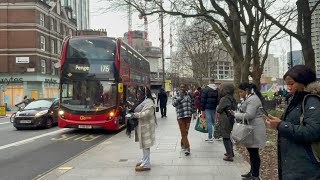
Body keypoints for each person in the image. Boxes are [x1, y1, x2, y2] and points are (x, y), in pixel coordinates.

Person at [265, 65, 320, 180]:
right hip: (294, 162)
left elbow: (312, 131)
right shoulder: (295, 99)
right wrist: (278, 122)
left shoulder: (312, 100)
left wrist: (281, 125)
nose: (288, 88)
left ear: (304, 82)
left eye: (291, 83)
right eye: (287, 84)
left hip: (307, 166)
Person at [229, 83, 266, 180]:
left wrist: (235, 114)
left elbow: (250, 115)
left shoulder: (253, 99)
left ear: (247, 90)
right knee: (252, 152)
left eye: (241, 92)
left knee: (254, 153)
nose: (240, 94)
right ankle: (252, 172)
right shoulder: (250, 98)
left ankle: (255, 175)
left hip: (255, 129)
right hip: (252, 128)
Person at [131, 87, 157, 172]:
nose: (138, 95)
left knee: (146, 145)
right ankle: (144, 159)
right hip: (142, 125)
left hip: (147, 126)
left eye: (140, 93)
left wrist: (135, 115)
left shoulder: (149, 102)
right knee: (144, 144)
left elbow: (146, 114)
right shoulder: (143, 102)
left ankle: (146, 164)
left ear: (145, 94)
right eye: (138, 93)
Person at [172, 84, 196, 156]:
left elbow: (193, 104)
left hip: (188, 116)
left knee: (186, 132)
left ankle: (183, 143)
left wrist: (194, 112)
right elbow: (174, 104)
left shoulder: (190, 95)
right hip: (180, 116)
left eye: (184, 87)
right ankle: (187, 147)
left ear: (186, 88)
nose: (182, 88)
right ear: (179, 88)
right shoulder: (176, 96)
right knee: (183, 132)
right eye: (181, 87)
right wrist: (181, 97)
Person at [216, 83, 237, 161]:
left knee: (226, 136)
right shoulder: (232, 98)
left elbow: (219, 109)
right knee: (230, 136)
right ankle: (231, 152)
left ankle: (229, 155)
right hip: (231, 118)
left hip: (225, 118)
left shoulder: (224, 99)